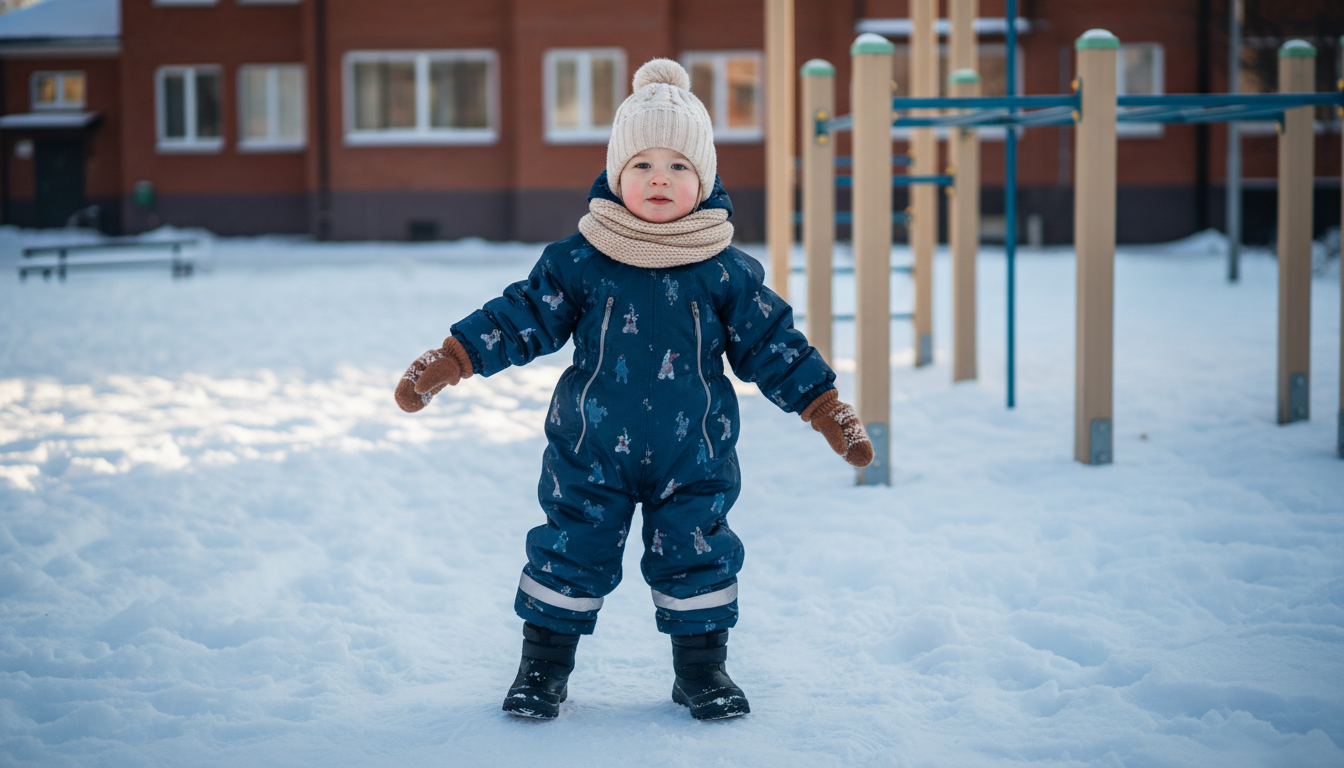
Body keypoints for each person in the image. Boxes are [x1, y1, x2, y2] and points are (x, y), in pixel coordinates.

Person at [395, 59, 872, 721]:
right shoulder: (583, 260)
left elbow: (772, 345)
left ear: (703, 180)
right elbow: (524, 314)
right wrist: (456, 356)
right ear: (617, 175)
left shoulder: (726, 270)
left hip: (694, 452)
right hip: (590, 448)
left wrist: (824, 406)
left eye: (678, 167)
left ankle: (702, 673)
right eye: (642, 164)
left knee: (697, 552)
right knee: (571, 548)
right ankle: (543, 669)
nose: (659, 179)